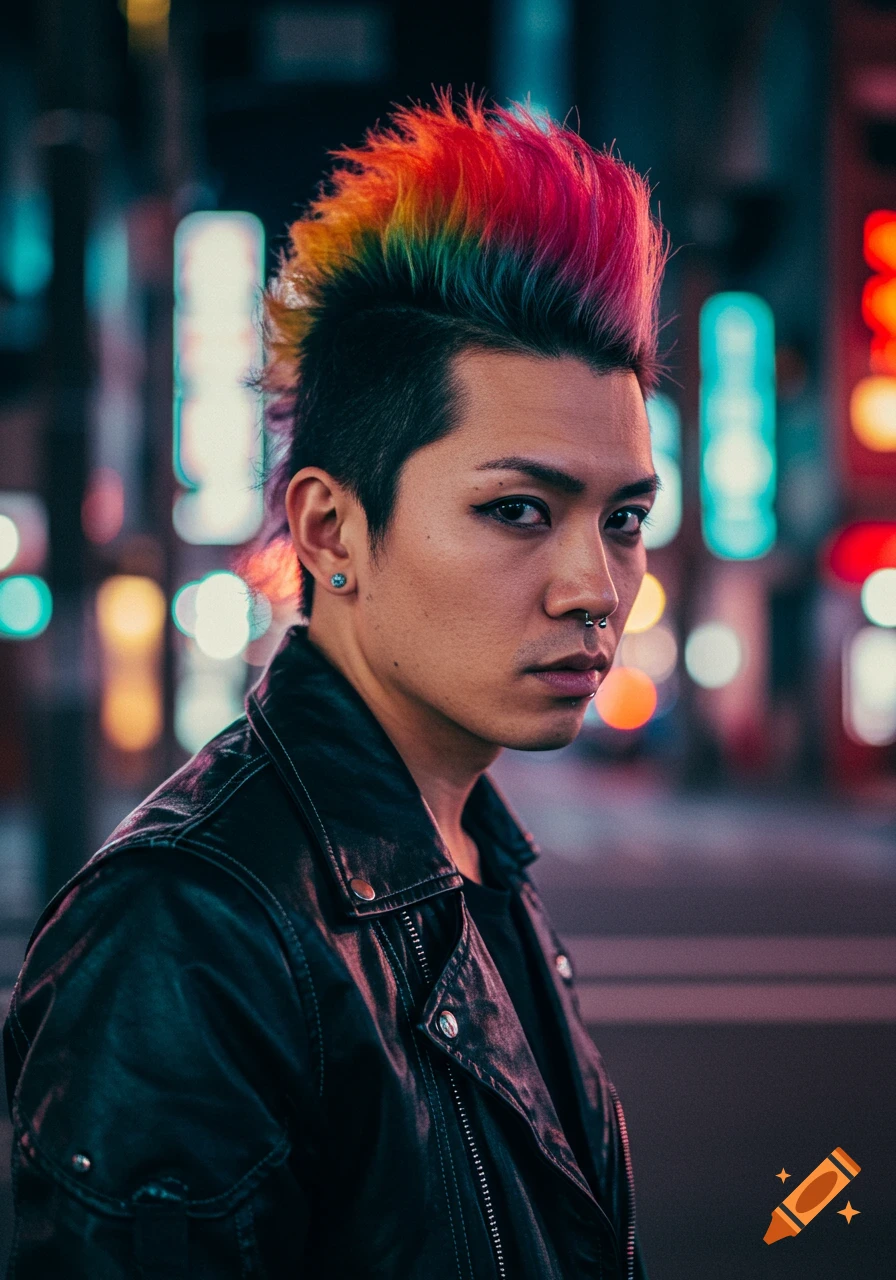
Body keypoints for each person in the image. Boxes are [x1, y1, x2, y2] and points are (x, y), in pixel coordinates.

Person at [3, 88, 668, 1278]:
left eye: (621, 517)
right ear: (329, 528)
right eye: (517, 509)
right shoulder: (189, 932)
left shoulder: (470, 853)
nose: (593, 585)